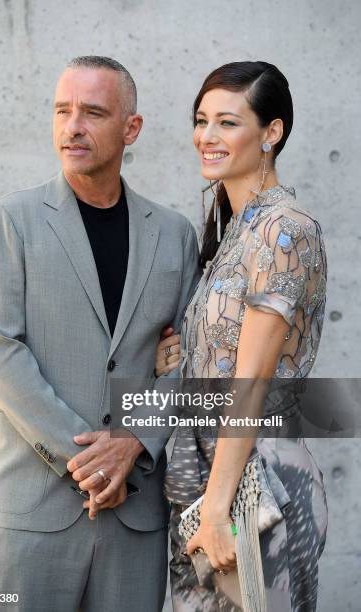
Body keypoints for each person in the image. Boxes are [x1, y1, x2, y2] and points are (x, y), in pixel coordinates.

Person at [0, 56, 200, 612]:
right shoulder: (11, 219)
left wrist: (134, 443)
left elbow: (188, 363)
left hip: (134, 516)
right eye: (62, 111)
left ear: (131, 128)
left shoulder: (174, 234)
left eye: (93, 112)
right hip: (30, 512)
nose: (72, 126)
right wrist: (91, 461)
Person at [155, 61, 328, 611]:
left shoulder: (285, 230)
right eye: (201, 120)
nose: (207, 136)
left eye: (227, 123)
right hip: (205, 492)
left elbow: (251, 380)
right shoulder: (231, 232)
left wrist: (216, 509)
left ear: (271, 132)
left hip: (255, 491)